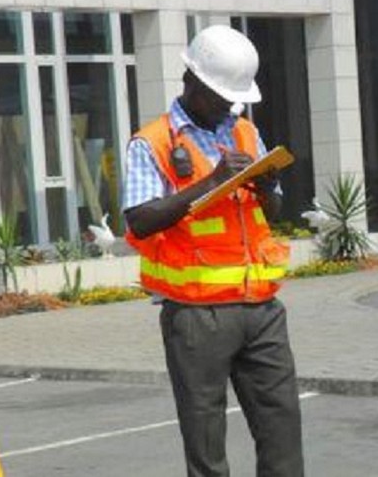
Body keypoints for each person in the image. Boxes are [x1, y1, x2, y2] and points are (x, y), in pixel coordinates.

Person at [123, 25, 304, 476]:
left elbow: (274, 209)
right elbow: (140, 220)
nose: (230, 105)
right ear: (192, 80)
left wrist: (266, 187)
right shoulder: (153, 142)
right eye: (222, 95)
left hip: (260, 306)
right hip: (197, 315)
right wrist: (211, 181)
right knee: (206, 440)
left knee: (282, 427)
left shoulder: (244, 132)